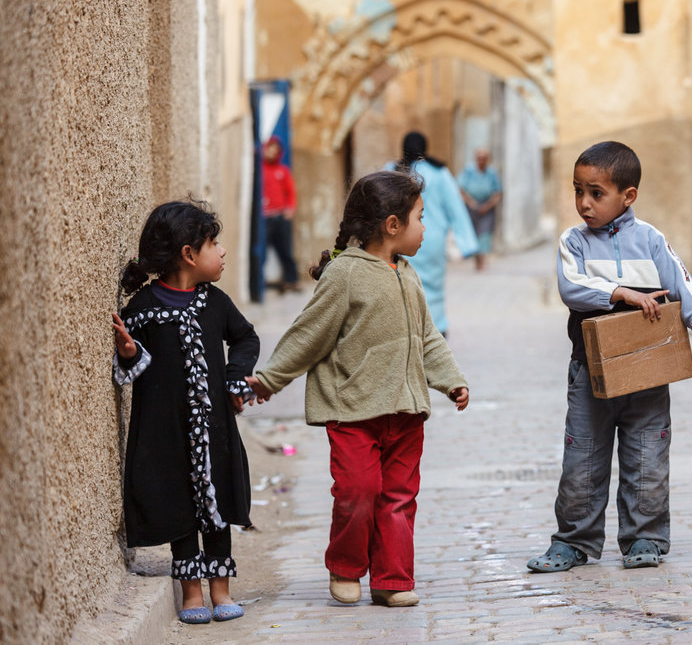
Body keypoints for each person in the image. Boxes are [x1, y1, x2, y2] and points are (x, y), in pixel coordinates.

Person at [245, 170, 470, 608]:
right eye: (420, 218)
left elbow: (427, 339)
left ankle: (392, 580)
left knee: (400, 498)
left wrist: (451, 380)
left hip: (405, 412)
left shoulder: (408, 274)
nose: (425, 228)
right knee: (358, 493)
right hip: (352, 413)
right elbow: (309, 332)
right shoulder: (345, 274)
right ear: (391, 225)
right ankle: (346, 567)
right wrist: (271, 379)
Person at [527, 141, 692, 573]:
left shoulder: (650, 239)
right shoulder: (574, 242)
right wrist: (618, 293)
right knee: (582, 457)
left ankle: (645, 537)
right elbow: (571, 287)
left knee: (647, 456)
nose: (584, 203)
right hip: (591, 373)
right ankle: (573, 541)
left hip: (648, 370)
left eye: (596, 193)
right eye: (577, 191)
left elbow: (682, 283)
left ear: (628, 196)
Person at [112, 199, 260, 624]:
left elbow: (246, 339)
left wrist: (235, 378)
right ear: (189, 255)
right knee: (181, 507)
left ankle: (222, 590)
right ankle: (191, 593)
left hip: (214, 430)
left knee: (216, 505)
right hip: (167, 433)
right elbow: (131, 365)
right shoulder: (141, 309)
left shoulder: (214, 302)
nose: (223, 251)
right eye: (214, 243)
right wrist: (128, 352)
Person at [387, 131, 478, 335]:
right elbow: (456, 208)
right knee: (432, 289)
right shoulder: (440, 173)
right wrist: (467, 244)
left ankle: (406, 329)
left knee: (402, 285)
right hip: (431, 239)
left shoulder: (392, 172)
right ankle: (435, 328)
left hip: (399, 240)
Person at [262, 135, 300, 293]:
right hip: (265, 217)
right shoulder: (260, 171)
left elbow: (290, 192)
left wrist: (290, 209)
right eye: (269, 149)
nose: (271, 152)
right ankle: (260, 281)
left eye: (275, 150)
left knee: (284, 249)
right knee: (262, 250)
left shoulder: (283, 171)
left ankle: (292, 280)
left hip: (280, 216)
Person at [458, 148, 502, 270]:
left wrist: (487, 206)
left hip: (487, 208)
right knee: (473, 232)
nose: (481, 161)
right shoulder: (469, 170)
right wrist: (471, 203)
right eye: (479, 158)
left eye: (484, 159)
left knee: (485, 234)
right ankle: (477, 259)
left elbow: (498, 193)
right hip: (471, 207)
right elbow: (461, 189)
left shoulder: (492, 173)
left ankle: (482, 261)